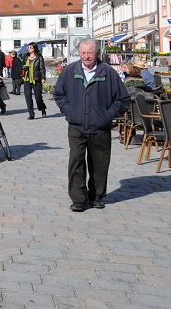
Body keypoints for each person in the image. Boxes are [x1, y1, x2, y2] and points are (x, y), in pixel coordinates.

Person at [54, 38, 129, 212]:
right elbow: (59, 94)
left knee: (99, 163)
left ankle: (97, 196)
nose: (86, 57)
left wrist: (107, 116)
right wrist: (69, 110)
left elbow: (123, 100)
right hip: (77, 126)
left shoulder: (108, 72)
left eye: (90, 53)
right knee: (76, 162)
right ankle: (79, 199)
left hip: (100, 127)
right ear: (78, 53)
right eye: (83, 53)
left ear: (97, 53)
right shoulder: (70, 71)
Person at [22, 42, 47, 120]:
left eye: (30, 47)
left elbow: (42, 68)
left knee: (38, 97)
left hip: (36, 79)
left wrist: (43, 78)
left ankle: (42, 108)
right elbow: (22, 66)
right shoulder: (25, 57)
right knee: (28, 97)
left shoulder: (39, 58)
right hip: (27, 79)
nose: (29, 49)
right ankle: (31, 114)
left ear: (34, 49)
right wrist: (24, 68)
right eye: (28, 47)